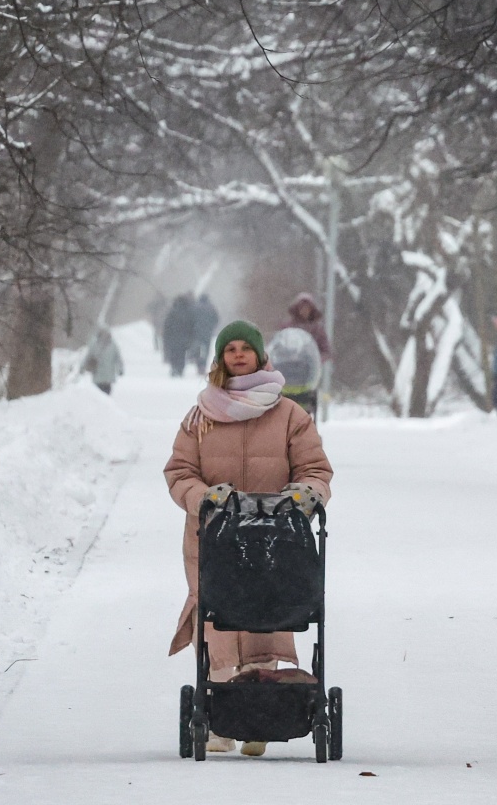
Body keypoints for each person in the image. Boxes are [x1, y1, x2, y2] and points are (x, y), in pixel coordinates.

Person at [164, 320, 334, 757]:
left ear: (261, 356)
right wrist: (204, 498)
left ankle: (262, 714)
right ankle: (219, 719)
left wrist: (306, 495)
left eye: (246, 348)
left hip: (276, 537)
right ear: (220, 358)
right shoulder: (199, 418)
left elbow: (316, 470)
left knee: (268, 612)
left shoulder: (290, 415)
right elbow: (179, 473)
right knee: (218, 617)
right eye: (230, 349)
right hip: (215, 536)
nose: (238, 355)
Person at [282, 293, 333, 412]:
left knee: (305, 401)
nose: (304, 311)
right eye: (302, 308)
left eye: (307, 308)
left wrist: (316, 359)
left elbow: (326, 351)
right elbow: (279, 345)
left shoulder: (317, 329)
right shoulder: (287, 327)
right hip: (288, 372)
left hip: (308, 373)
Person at [163, 294, 195, 376]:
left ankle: (174, 367)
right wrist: (191, 337)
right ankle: (180, 368)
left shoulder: (172, 312)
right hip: (184, 338)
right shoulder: (189, 312)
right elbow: (191, 325)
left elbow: (167, 326)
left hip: (173, 337)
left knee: (174, 352)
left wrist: (166, 337)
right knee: (182, 354)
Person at [83, 327, 123, 394]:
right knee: (106, 396)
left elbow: (88, 357)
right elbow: (118, 359)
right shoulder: (113, 345)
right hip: (108, 377)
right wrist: (120, 369)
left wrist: (82, 368)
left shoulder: (94, 344)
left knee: (97, 396)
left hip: (97, 376)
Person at [191, 293, 220, 368]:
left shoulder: (195, 308)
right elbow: (216, 319)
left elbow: (190, 320)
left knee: (198, 349)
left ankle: (199, 364)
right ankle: (204, 364)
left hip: (197, 332)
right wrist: (211, 327)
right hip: (208, 332)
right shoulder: (211, 308)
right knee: (206, 349)